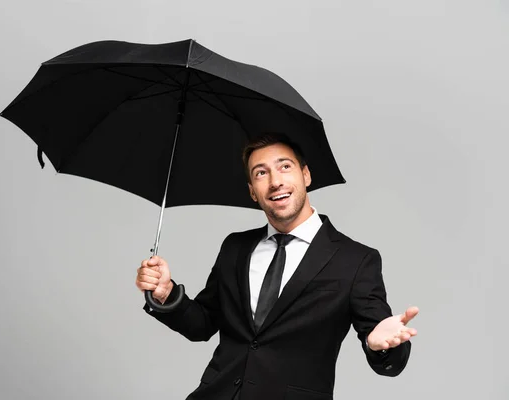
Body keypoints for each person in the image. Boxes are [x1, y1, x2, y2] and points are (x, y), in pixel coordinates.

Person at [135, 132, 418, 400]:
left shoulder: (355, 260)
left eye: (284, 167)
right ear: (252, 191)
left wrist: (379, 345)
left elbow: (386, 348)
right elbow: (202, 324)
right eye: (261, 173)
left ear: (305, 175)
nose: (275, 182)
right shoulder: (235, 247)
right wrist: (166, 293)